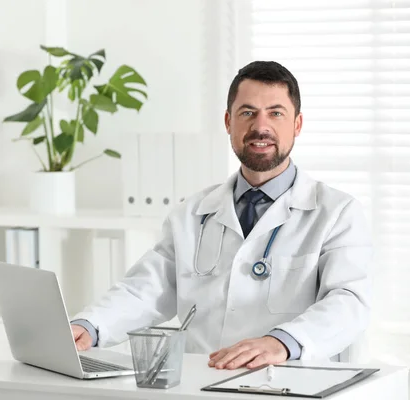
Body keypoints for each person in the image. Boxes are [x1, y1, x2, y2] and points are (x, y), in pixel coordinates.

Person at [70, 61, 372, 371]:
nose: (260, 127)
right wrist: (90, 326)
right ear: (228, 122)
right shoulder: (191, 213)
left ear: (297, 125)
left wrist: (282, 342)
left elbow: (349, 302)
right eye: (247, 113)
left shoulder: (337, 213)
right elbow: (147, 289)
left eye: (276, 113)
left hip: (288, 380)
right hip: (200, 383)